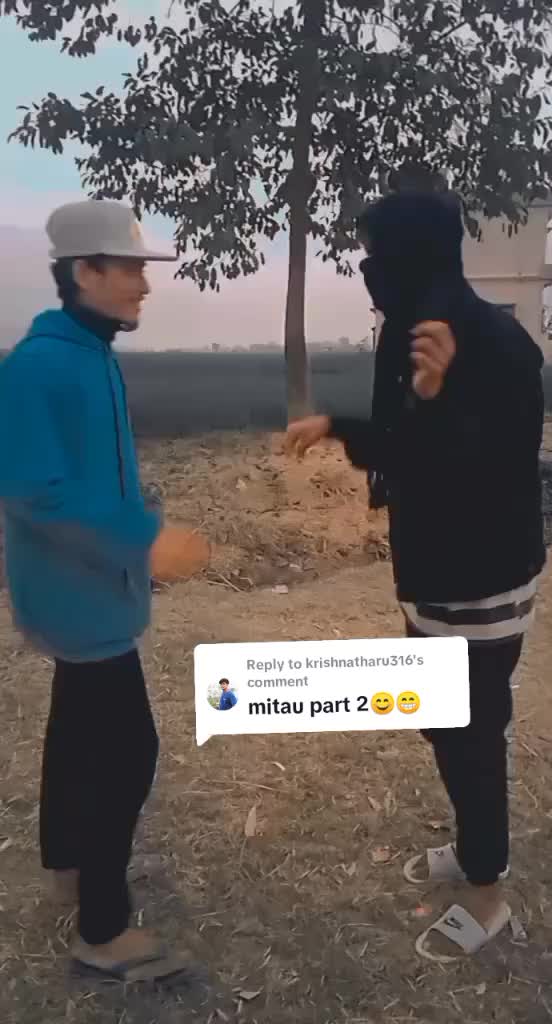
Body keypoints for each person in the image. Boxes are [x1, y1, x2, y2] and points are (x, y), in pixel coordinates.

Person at [285, 191, 545, 961]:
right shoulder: (413, 333)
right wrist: (337, 426)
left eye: (378, 256)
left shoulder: (493, 341)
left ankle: (488, 894)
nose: (370, 273)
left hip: (482, 575)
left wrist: (432, 400)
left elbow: (488, 464)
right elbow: (402, 443)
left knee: (472, 734)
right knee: (443, 722)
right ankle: (470, 850)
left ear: (416, 254)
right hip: (434, 570)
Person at [0, 200, 188, 982]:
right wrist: (144, 540)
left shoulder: (91, 353)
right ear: (86, 272)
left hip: (94, 587)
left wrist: (141, 527)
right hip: (76, 594)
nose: (145, 284)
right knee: (128, 752)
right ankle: (101, 930)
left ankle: (67, 866)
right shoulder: (38, 366)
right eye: (132, 268)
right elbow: (34, 491)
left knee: (77, 727)